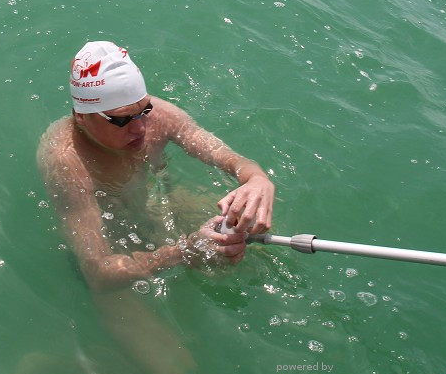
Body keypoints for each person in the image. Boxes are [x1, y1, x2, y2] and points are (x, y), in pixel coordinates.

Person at [37, 40, 276, 291]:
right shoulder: (66, 159)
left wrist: (256, 178)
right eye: (122, 120)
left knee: (248, 230)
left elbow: (227, 157)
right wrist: (181, 253)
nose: (140, 128)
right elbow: (98, 272)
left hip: (152, 206)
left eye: (144, 110)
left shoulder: (158, 116)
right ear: (82, 116)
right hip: (112, 241)